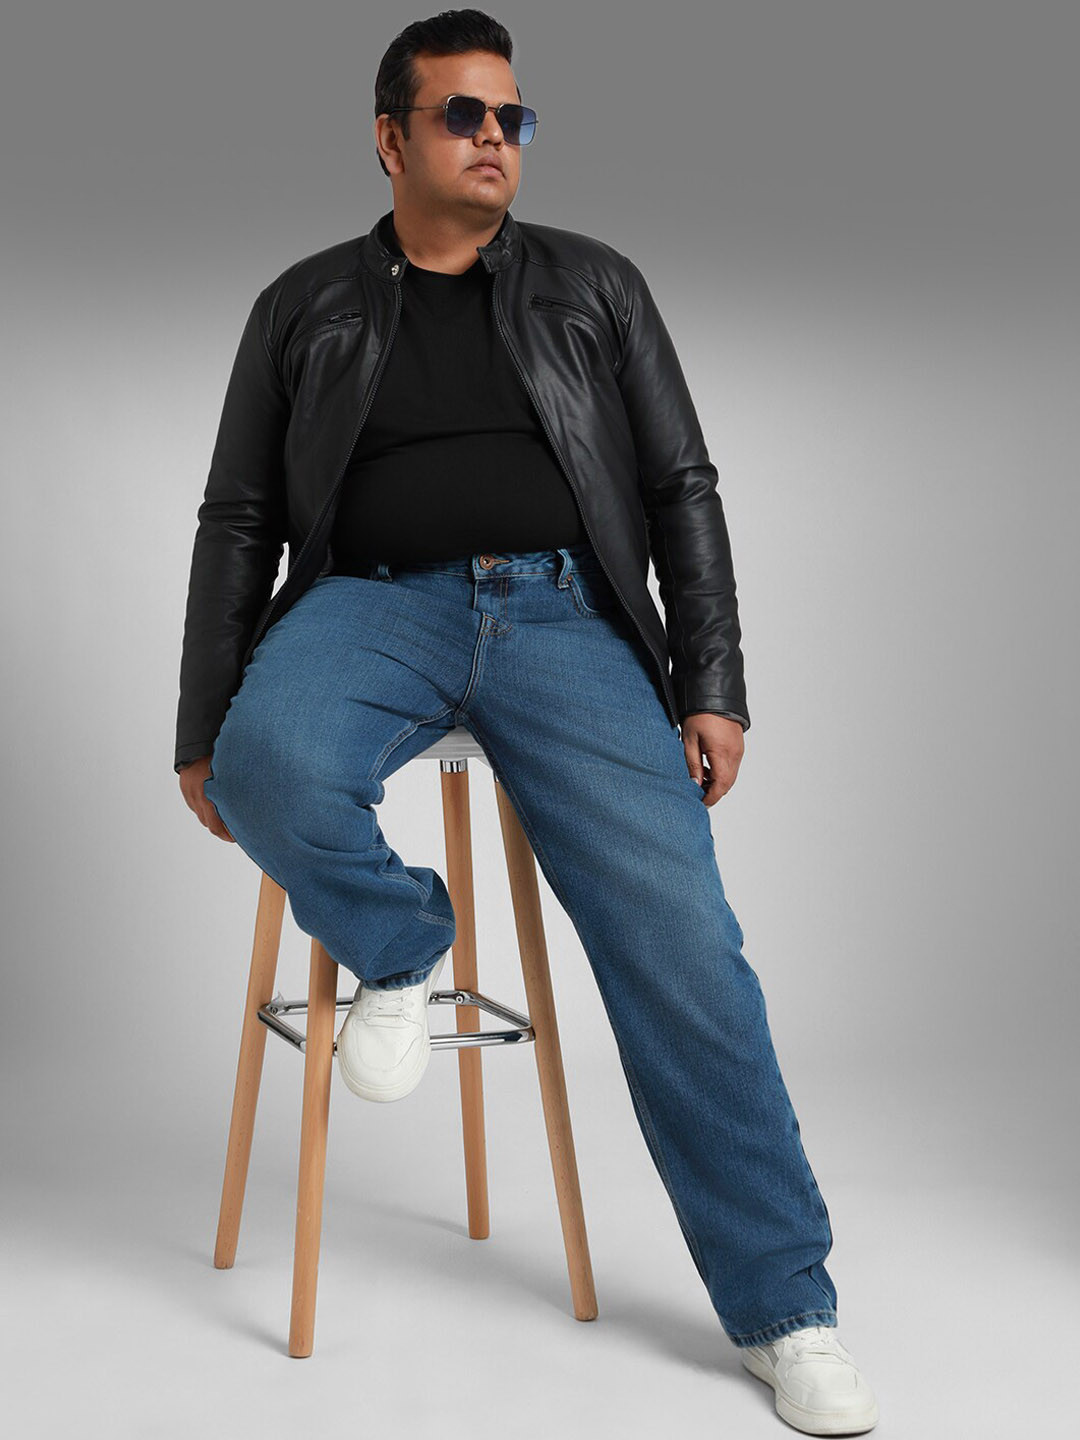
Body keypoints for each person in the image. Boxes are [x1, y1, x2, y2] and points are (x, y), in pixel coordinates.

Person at [175, 9, 879, 1433]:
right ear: (390, 140)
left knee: (686, 949)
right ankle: (401, 945)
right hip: (368, 606)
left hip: (565, 621)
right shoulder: (302, 304)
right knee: (266, 764)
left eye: (512, 117)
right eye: (463, 114)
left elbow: (680, 483)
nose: (495, 137)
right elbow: (241, 515)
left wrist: (712, 681)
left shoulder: (597, 286)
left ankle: (787, 1310)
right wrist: (202, 721)